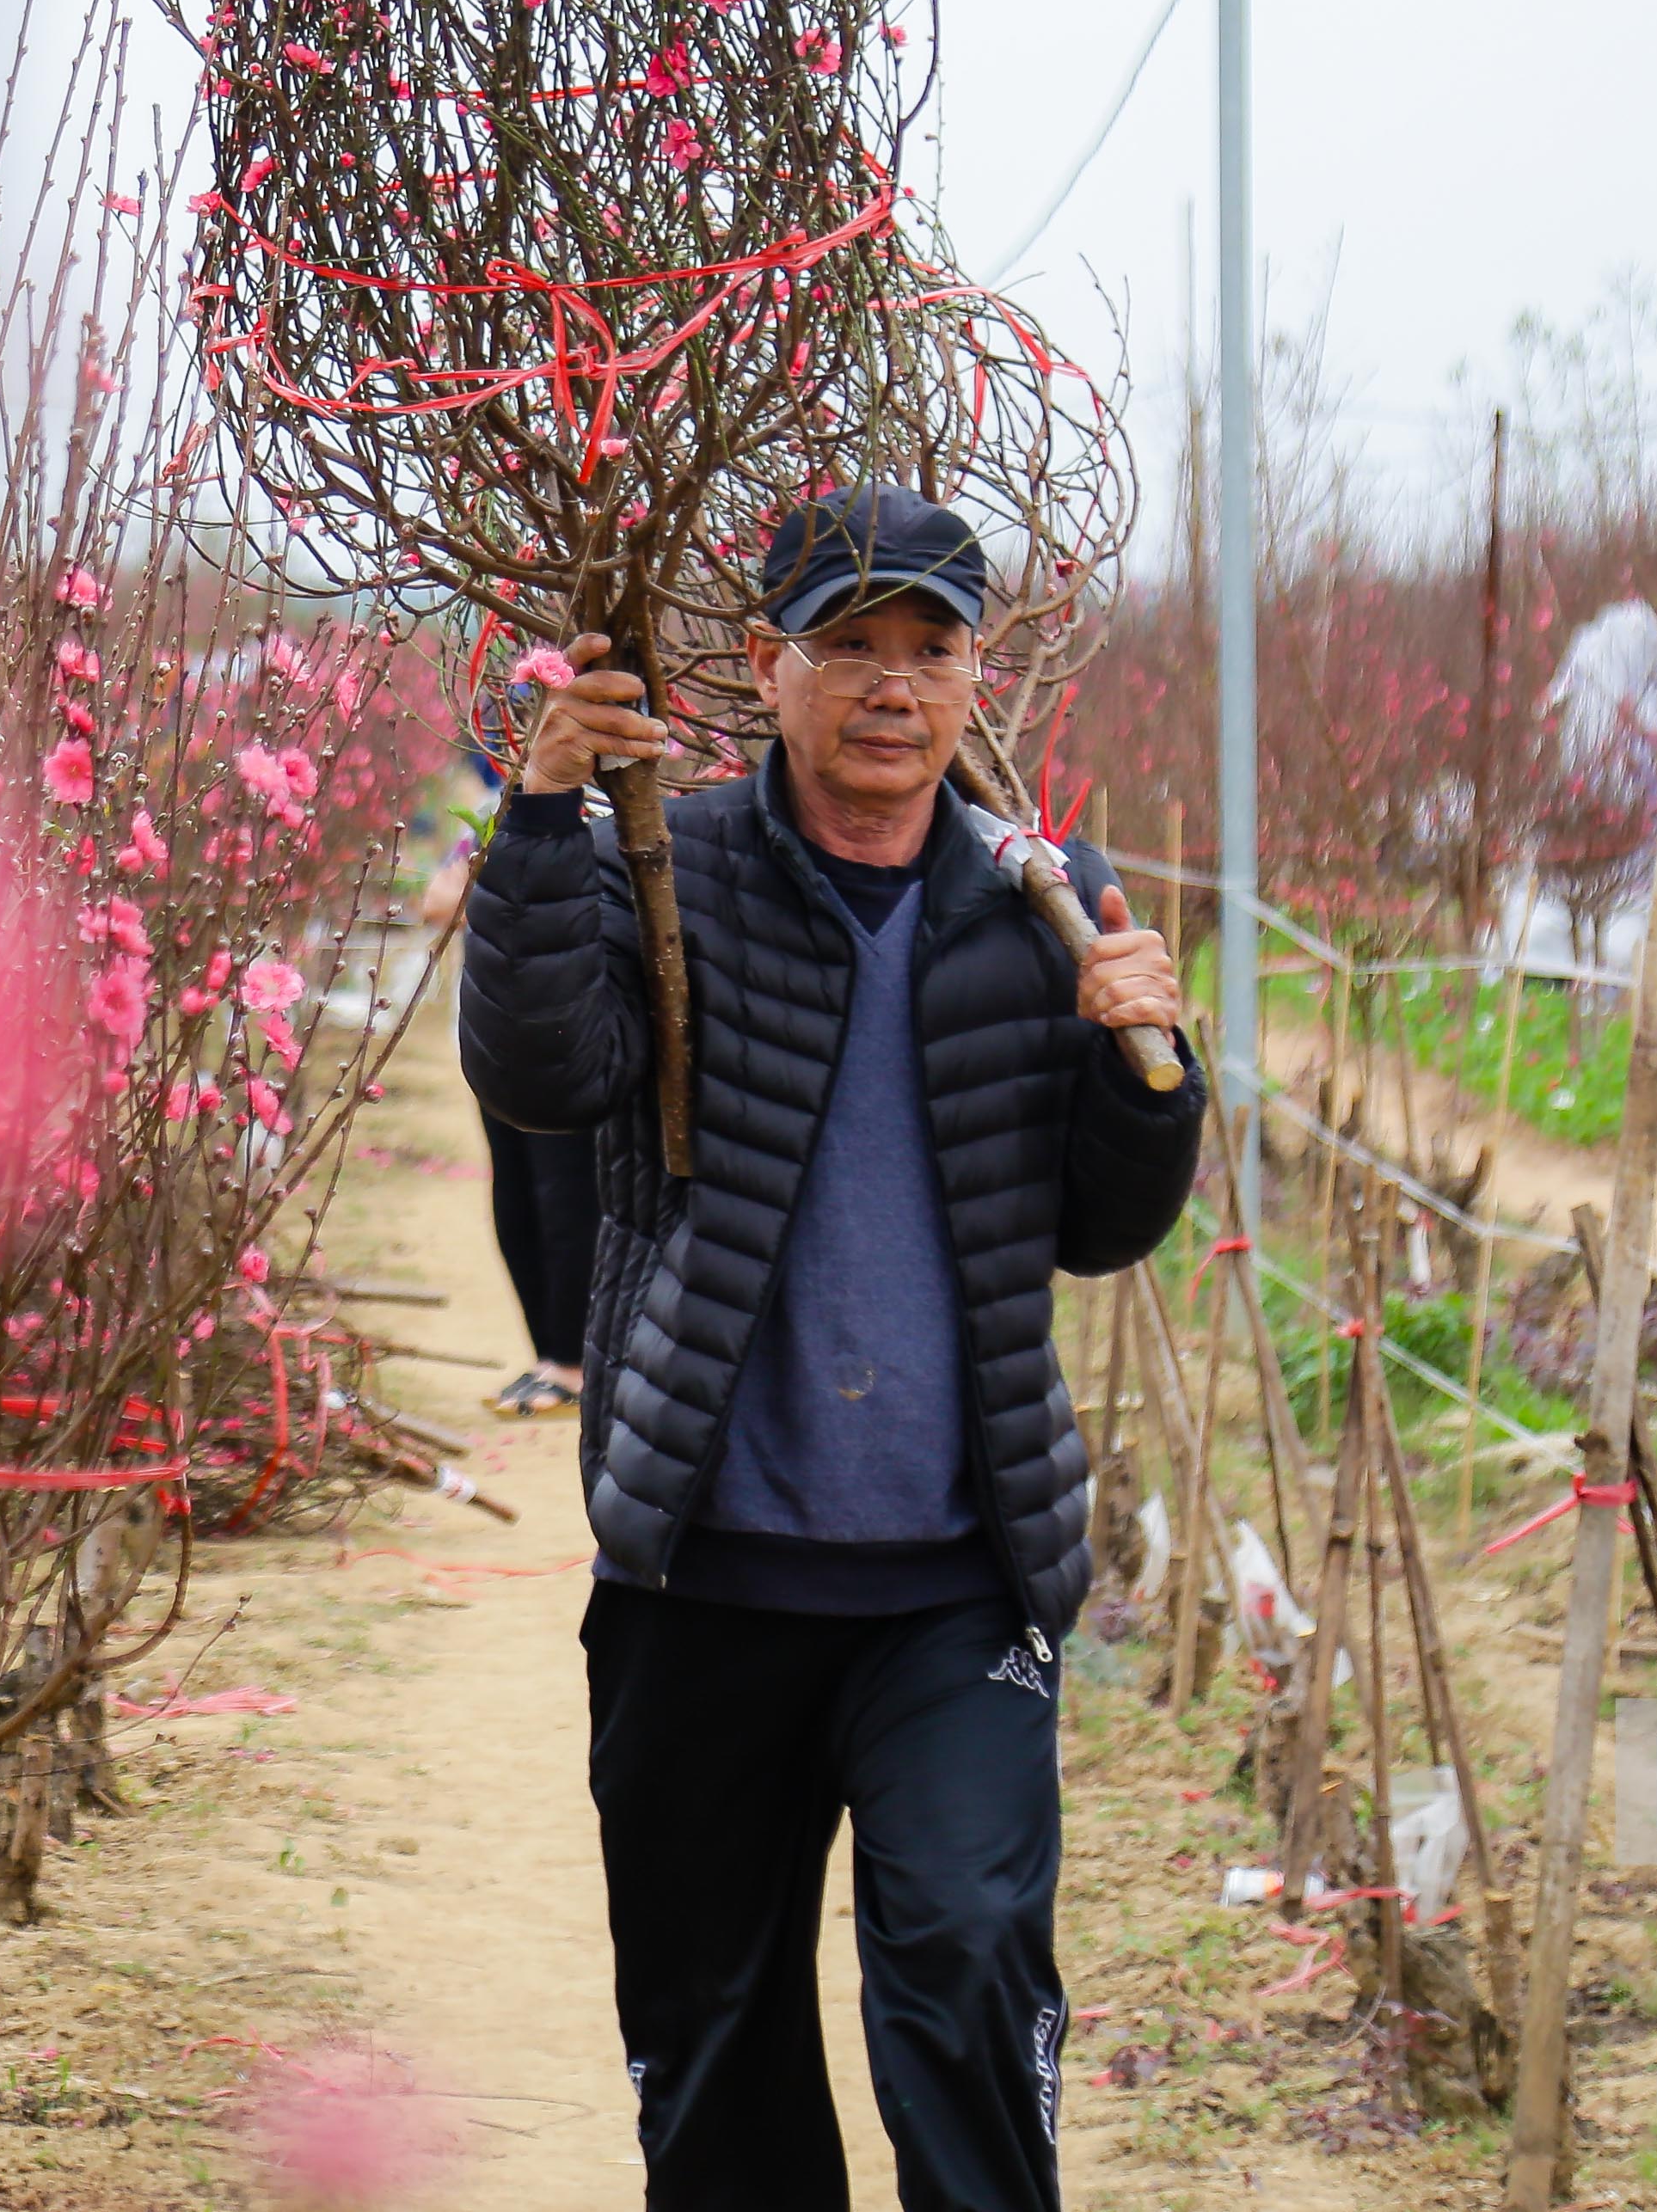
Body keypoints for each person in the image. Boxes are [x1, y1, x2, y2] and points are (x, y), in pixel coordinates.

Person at [461, 482, 1203, 2212]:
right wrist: (543, 809)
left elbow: (1104, 1225)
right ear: (762, 664)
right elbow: (539, 1078)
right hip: (706, 1577)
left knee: (959, 1967)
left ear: (973, 678)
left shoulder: (1043, 899)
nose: (890, 685)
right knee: (713, 2037)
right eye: (847, 643)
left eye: (928, 647)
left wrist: (1134, 1056)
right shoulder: (673, 868)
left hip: (955, 1583)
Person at [420, 827, 598, 1416]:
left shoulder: (605, 815)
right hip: (494, 1042)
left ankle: (574, 1363)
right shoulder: (490, 825)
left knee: (566, 1198)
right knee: (516, 1198)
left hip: (569, 1037)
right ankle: (550, 1355)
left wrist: (496, 893)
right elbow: (437, 903)